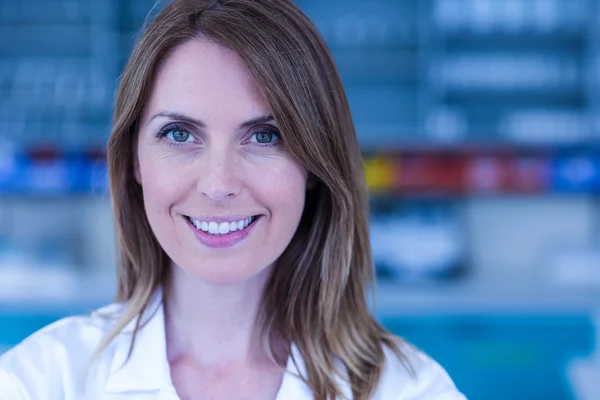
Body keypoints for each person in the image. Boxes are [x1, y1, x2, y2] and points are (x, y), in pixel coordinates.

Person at [0, 0, 466, 399]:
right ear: (135, 161)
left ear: (314, 166)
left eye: (265, 136)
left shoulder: (407, 389)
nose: (218, 183)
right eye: (179, 133)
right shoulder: (41, 381)